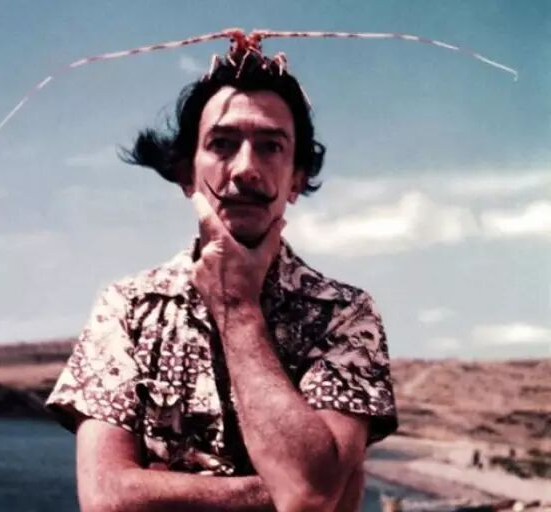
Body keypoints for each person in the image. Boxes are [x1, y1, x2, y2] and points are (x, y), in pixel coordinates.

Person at [46, 50, 398, 512]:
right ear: (186, 175)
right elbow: (106, 499)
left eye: (271, 146)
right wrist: (284, 488)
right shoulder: (127, 307)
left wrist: (237, 307)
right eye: (221, 144)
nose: (246, 169)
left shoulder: (345, 314)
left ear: (296, 180)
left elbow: (308, 492)